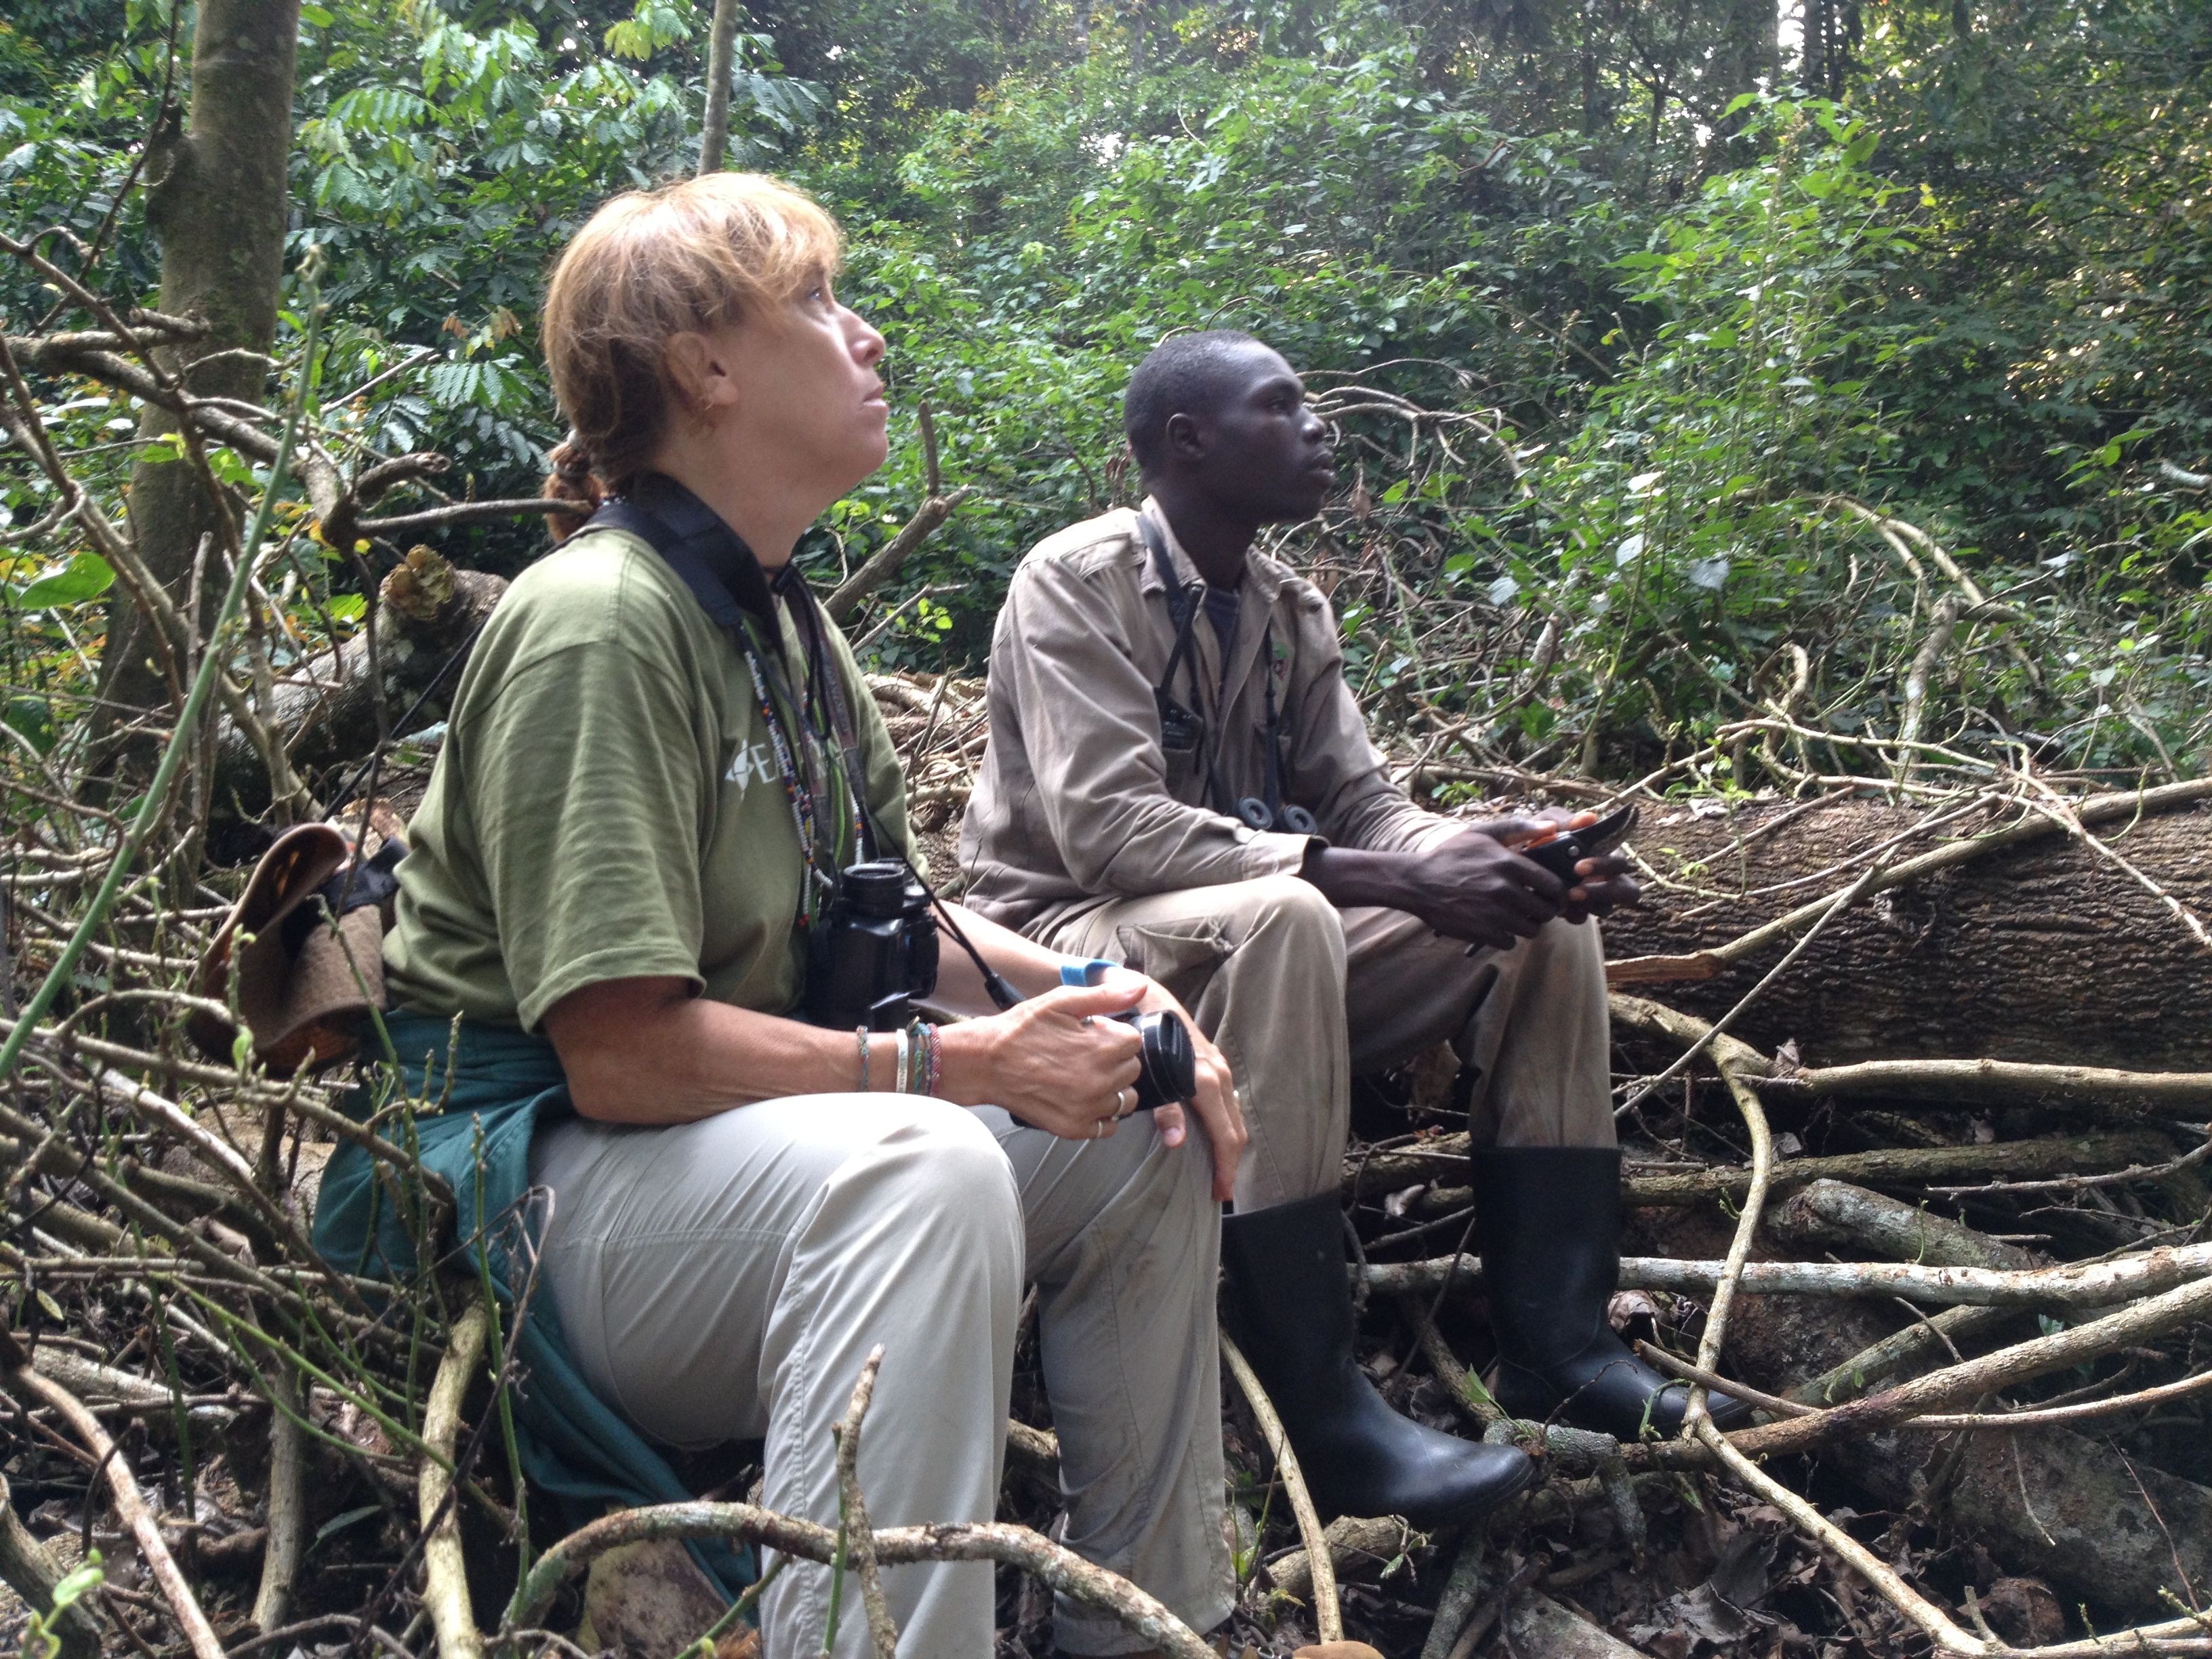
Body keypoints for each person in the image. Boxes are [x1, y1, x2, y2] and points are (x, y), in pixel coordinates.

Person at [312, 176, 1248, 1659]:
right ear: (707, 367)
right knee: (922, 1163)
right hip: (525, 1206)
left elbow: (891, 927)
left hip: (688, 1172)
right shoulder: (600, 624)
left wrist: (1113, 994)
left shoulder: (784, 625)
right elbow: (619, 1056)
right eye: (819, 302)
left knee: (1143, 1116)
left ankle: (1146, 1626)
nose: (867, 335)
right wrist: (964, 1068)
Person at [959, 331, 1751, 1520]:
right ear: (1189, 442)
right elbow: (1109, 833)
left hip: (1252, 934)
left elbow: (1364, 804)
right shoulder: (1076, 580)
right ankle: (1322, 1413)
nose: (1319, 428)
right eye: (1281, 408)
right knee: (1287, 911)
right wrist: (1389, 875)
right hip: (1066, 947)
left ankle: (1560, 1346)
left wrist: (1487, 847)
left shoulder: (1286, 602)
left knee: (1539, 920)